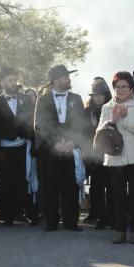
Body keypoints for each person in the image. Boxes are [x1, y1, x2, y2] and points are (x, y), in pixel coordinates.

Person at [99, 71, 134, 244]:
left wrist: (124, 118)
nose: (121, 90)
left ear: (131, 88)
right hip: (116, 157)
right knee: (118, 195)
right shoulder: (107, 107)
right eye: (118, 87)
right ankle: (119, 229)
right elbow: (100, 132)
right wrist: (112, 121)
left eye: (124, 87)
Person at [34, 64, 88, 232]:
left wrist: (72, 142)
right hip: (50, 150)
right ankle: (51, 221)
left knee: (70, 185)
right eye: (65, 77)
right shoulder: (43, 100)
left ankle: (71, 221)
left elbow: (82, 125)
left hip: (71, 148)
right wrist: (55, 143)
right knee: (50, 185)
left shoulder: (76, 98)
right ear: (56, 81)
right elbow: (39, 125)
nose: (68, 80)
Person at [0, 67, 35, 225]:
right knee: (4, 181)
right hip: (3, 147)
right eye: (10, 80)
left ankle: (24, 211)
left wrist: (32, 141)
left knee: (23, 180)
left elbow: (31, 123)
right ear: (2, 82)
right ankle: (6, 214)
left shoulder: (26, 100)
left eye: (15, 80)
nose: (13, 83)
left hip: (22, 146)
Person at [83, 79, 113, 229]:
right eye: (95, 95)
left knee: (111, 186)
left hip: (109, 153)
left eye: (100, 94)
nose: (98, 97)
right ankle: (98, 213)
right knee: (96, 186)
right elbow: (82, 131)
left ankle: (109, 216)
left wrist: (97, 128)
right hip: (93, 154)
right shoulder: (87, 111)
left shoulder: (111, 108)